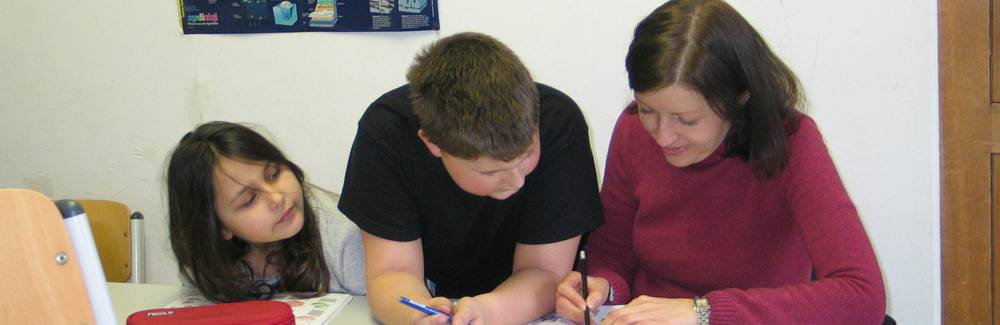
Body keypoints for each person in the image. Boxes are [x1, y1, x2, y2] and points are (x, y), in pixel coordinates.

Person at [555, 1, 886, 324]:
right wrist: (601, 288)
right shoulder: (632, 130)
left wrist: (704, 312)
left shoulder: (792, 142)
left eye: (686, 120)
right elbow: (612, 254)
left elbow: (862, 295)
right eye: (647, 110)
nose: (662, 136)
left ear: (740, 99)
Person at [338, 32, 603, 325]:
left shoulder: (558, 122)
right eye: (491, 171)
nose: (517, 181)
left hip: (524, 303)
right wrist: (417, 317)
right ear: (433, 145)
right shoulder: (386, 133)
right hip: (440, 291)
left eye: (527, 155)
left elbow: (545, 272)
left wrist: (487, 313)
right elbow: (392, 272)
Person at [166, 121, 366, 303]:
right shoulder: (205, 261)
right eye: (250, 199)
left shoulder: (343, 236)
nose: (277, 198)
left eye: (274, 174)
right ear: (218, 227)